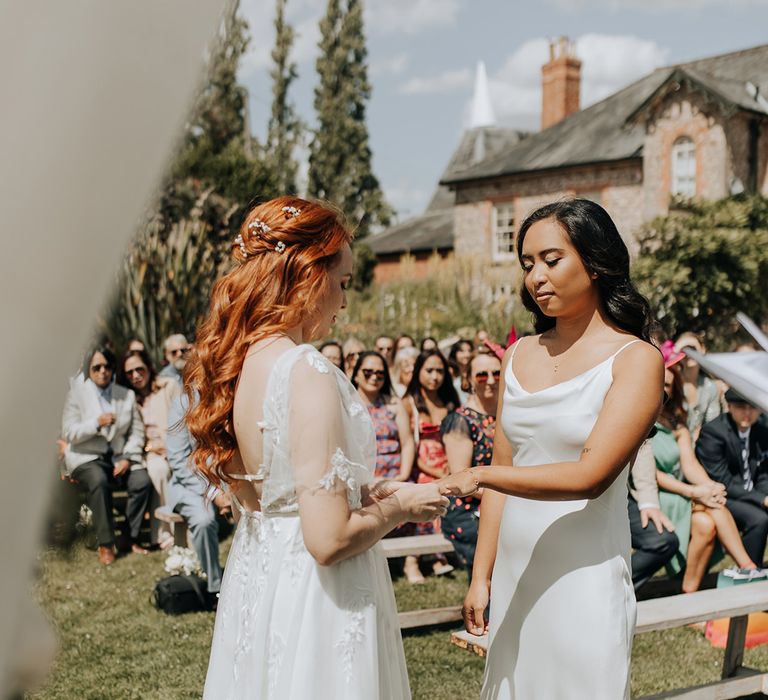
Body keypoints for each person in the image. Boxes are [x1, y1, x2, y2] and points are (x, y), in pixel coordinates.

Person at [185, 196, 447, 699]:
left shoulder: (236, 366)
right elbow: (327, 540)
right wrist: (402, 506)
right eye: (343, 282)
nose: (344, 302)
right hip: (316, 594)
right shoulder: (305, 371)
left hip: (262, 577)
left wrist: (369, 488)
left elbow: (280, 489)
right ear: (307, 273)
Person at [439, 199, 664, 699]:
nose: (535, 276)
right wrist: (482, 576)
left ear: (596, 260)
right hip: (515, 574)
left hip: (584, 576)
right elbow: (505, 463)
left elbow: (590, 475)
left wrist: (478, 477)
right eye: (526, 264)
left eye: (550, 259)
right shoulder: (517, 354)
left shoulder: (637, 359)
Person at [652, 361, 759, 592]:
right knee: (707, 519)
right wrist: (694, 491)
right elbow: (650, 474)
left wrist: (709, 486)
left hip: (679, 488)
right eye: (660, 382)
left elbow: (689, 464)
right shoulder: (638, 418)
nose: (664, 388)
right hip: (653, 493)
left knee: (709, 514)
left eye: (669, 384)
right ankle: (747, 569)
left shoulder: (674, 421)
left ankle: (695, 592)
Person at [61, 346, 152, 564]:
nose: (103, 371)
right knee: (98, 480)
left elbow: (137, 432)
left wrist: (128, 458)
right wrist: (96, 423)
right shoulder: (76, 395)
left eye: (107, 367)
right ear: (89, 370)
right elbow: (69, 432)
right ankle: (106, 543)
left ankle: (129, 537)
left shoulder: (126, 395)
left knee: (142, 481)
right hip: (86, 458)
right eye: (97, 367)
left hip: (118, 458)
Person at [351, 351, 421, 584]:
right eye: (368, 372)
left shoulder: (393, 404)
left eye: (380, 373)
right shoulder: (348, 405)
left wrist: (403, 473)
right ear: (357, 373)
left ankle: (411, 562)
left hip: (394, 473)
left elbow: (407, 441)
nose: (374, 377)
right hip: (362, 475)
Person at [440, 352, 499, 578]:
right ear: (469, 380)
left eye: (497, 373)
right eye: (482, 375)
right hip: (470, 507)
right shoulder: (461, 421)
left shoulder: (508, 414)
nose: (491, 380)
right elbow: (462, 477)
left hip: (503, 499)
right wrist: (506, 498)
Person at [117, 348, 181, 547]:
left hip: (175, 445)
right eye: (130, 373)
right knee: (158, 470)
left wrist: (170, 446)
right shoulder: (128, 400)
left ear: (148, 368)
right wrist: (151, 447)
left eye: (139, 369)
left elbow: (182, 418)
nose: (136, 376)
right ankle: (162, 534)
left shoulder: (168, 387)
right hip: (150, 452)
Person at [696, 389, 768, 566]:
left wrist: (764, 495)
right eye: (740, 407)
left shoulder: (762, 429)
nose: (747, 413)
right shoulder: (713, 433)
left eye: (752, 407)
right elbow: (723, 480)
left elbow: (764, 472)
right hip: (724, 495)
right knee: (758, 519)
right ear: (729, 406)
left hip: (752, 492)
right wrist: (762, 499)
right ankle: (750, 570)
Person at [166, 392, 228, 596]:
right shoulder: (183, 403)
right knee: (204, 520)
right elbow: (178, 460)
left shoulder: (227, 393)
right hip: (188, 483)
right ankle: (215, 587)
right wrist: (212, 492)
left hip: (225, 478)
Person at [404, 349, 459, 577]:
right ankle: (413, 559)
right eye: (429, 370)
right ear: (418, 372)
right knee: (428, 488)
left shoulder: (449, 401)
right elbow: (408, 445)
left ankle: (438, 554)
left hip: (448, 460)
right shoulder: (409, 404)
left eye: (439, 371)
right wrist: (433, 469)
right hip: (421, 463)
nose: (435, 377)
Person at [628, 440, 679, 591]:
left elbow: (641, 444)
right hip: (565, 497)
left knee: (663, 540)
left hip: (616, 494)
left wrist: (648, 502)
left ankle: (617, 590)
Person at [675, 332, 722, 439]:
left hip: (699, 444)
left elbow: (712, 424)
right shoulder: (672, 382)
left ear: (703, 350)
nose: (689, 354)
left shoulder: (710, 387)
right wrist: (677, 349)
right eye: (685, 349)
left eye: (692, 349)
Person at [448, 339, 474, 405]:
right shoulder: (450, 372)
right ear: (455, 353)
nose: (467, 354)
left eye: (469, 351)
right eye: (462, 351)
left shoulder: (475, 370)